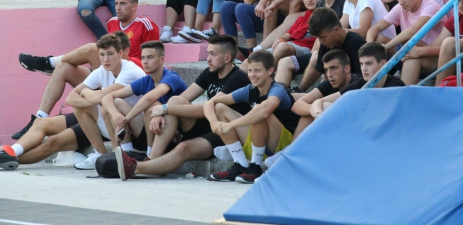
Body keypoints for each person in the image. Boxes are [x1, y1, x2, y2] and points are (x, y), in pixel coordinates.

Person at [14, 0, 159, 140]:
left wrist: (125, 60)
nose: (118, 7)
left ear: (134, 6)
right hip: (110, 74)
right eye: (116, 3)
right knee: (63, 67)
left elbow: (153, 60)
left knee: (92, 49)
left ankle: (49, 62)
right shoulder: (112, 22)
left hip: (130, 78)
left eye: (123, 4)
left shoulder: (145, 25)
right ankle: (39, 117)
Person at [113, 35, 251, 181]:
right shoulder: (210, 73)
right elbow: (183, 99)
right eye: (208, 53)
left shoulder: (238, 78)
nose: (208, 59)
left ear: (227, 58)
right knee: (175, 100)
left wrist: (166, 109)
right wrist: (162, 110)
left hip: (227, 133)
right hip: (209, 125)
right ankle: (153, 158)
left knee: (183, 148)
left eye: (213, 54)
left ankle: (139, 167)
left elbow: (208, 108)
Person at [0, 33, 146, 171]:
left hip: (125, 123)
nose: (106, 59)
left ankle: (102, 153)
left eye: (110, 54)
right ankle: (11, 153)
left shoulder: (130, 71)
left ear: (122, 53)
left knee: (53, 142)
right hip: (98, 116)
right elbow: (71, 98)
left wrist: (84, 92)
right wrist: (89, 95)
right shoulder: (102, 70)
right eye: (102, 54)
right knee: (41, 123)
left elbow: (100, 98)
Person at [204, 51, 299, 183]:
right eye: (249, 70)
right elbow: (210, 103)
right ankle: (240, 164)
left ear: (270, 70)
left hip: (281, 144)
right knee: (220, 108)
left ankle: (256, 166)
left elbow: (264, 111)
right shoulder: (249, 89)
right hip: (260, 141)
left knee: (259, 110)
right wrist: (214, 123)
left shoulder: (277, 90)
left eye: (257, 70)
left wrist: (230, 126)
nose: (252, 75)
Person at [265, 49, 361, 168]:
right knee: (309, 110)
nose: (329, 74)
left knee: (322, 106)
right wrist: (314, 111)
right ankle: (291, 152)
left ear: (347, 69)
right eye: (326, 70)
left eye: (333, 68)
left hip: (353, 132)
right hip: (332, 130)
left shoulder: (357, 83)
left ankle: (290, 154)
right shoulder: (330, 82)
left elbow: (336, 108)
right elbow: (297, 105)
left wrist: (316, 109)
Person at [101, 41, 188, 160]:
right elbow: (107, 97)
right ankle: (126, 153)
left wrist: (125, 120)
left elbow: (150, 98)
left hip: (171, 133)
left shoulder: (171, 77)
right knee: (116, 102)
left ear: (161, 59)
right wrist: (115, 115)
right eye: (142, 58)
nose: (145, 62)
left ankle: (150, 156)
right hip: (150, 129)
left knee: (152, 105)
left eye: (150, 57)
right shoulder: (146, 80)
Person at [238, 0, 345, 59]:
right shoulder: (320, 3)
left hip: (320, 48)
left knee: (294, 5)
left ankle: (261, 58)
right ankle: (257, 50)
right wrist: (266, 3)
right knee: (286, 13)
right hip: (302, 40)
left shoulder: (341, 1)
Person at [274, 7, 366, 91]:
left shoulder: (356, 43)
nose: (321, 42)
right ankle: (287, 92)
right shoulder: (326, 43)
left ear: (337, 30)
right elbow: (320, 69)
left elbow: (362, 80)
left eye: (323, 37)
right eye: (318, 38)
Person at [238, 0, 320, 71]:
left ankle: (266, 75)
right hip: (290, 44)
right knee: (252, 59)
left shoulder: (323, 15)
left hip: (306, 49)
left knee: (281, 48)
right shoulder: (302, 18)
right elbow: (288, 34)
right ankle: (234, 82)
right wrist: (280, 39)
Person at [310, 42, 405, 118]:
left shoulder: (396, 87)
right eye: (361, 64)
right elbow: (319, 102)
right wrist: (319, 114)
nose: (363, 69)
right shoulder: (361, 83)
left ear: (383, 64)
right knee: (325, 107)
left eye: (368, 63)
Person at [366, 0, 446, 54]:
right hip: (411, 49)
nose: (401, 2)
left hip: (434, 54)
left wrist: (384, 48)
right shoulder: (400, 7)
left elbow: (413, 31)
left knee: (409, 41)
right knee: (378, 39)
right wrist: (369, 46)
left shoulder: (431, 6)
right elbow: (375, 28)